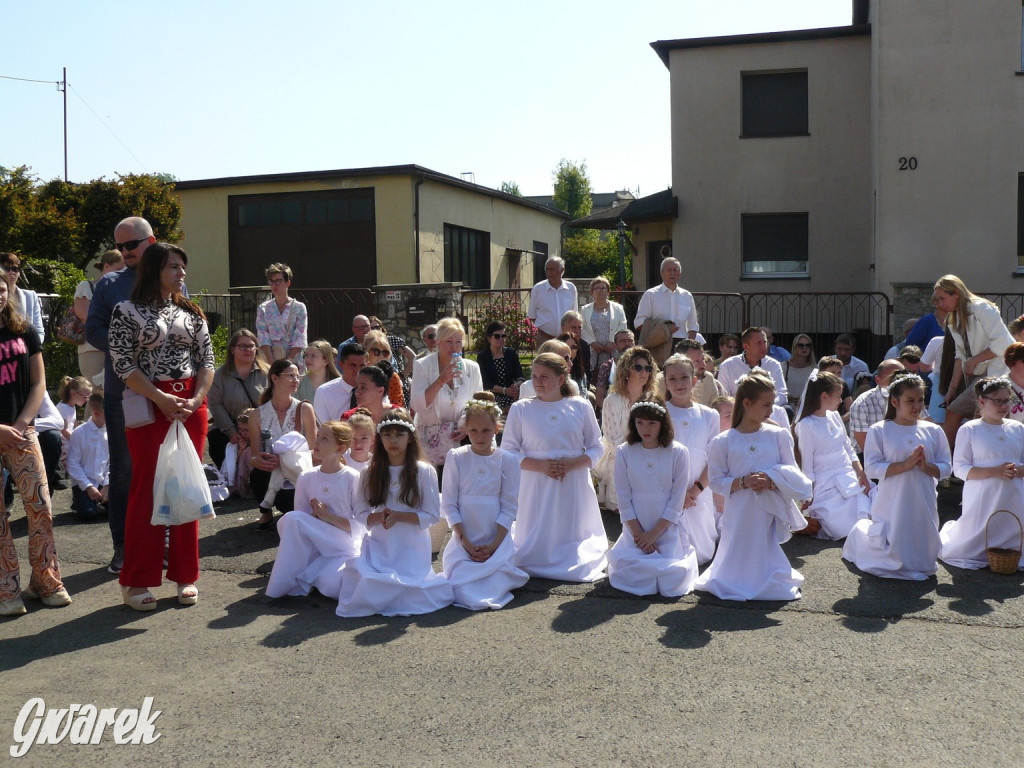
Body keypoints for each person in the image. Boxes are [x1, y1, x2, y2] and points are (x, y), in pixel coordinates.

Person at [108, 242, 214, 611]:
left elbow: (207, 361)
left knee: (187, 488)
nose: (181, 273)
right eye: (174, 266)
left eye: (183, 266)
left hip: (188, 408)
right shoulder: (126, 310)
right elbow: (123, 365)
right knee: (147, 491)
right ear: (154, 269)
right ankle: (137, 579)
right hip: (149, 408)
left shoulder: (192, 311)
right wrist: (161, 398)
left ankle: (186, 574)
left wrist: (197, 399)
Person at [695, 370, 811, 602]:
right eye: (766, 405)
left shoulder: (778, 435)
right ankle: (735, 578)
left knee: (763, 543)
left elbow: (792, 471)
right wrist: (742, 482)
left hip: (767, 506)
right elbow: (716, 482)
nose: (771, 411)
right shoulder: (723, 441)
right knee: (738, 544)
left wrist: (772, 479)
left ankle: (766, 576)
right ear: (747, 403)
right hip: (738, 510)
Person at [85, 215, 156, 575]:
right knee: (125, 470)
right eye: (121, 246)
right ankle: (123, 547)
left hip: (164, 393)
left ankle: (158, 544)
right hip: (123, 392)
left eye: (132, 244)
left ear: (151, 241)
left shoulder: (171, 278)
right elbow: (93, 327)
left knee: (161, 470)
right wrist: (122, 346)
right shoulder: (110, 284)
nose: (126, 252)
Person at [336, 409, 454, 617]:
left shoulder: (424, 471)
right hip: (381, 545)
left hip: (412, 547)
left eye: (399, 434)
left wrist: (400, 516)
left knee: (412, 590)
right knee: (366, 583)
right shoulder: (368, 472)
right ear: (379, 438)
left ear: (410, 438)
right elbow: (361, 512)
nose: (393, 440)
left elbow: (432, 516)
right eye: (387, 435)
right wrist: (377, 517)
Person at [502, 353, 607, 582]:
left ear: (561, 380)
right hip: (535, 481)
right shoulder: (521, 409)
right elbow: (508, 450)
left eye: (545, 377)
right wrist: (540, 466)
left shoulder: (580, 406)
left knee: (569, 526)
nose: (538, 381)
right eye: (535, 376)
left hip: (573, 480)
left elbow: (596, 446)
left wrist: (573, 464)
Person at [0, 278, 71, 616]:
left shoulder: (23, 330)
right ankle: (5, 590)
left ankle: (45, 580)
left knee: (40, 505)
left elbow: (38, 382)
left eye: (1, 289)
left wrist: (18, 425)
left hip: (21, 430)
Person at [843, 373, 952, 580]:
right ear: (894, 402)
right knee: (895, 537)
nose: (917, 406)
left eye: (920, 400)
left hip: (923, 495)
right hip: (893, 497)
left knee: (922, 538)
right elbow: (872, 468)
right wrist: (905, 465)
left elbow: (947, 467)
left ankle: (921, 561)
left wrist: (926, 466)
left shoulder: (933, 430)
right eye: (910, 401)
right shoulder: (880, 430)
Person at [441, 392, 528, 610]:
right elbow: (449, 503)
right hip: (465, 538)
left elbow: (509, 506)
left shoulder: (507, 459)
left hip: (495, 537)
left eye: (486, 430)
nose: (480, 437)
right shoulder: (457, 457)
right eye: (473, 431)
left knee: (493, 585)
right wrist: (467, 544)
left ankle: (496, 566)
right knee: (461, 589)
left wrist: (493, 546)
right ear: (466, 430)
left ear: (497, 429)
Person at [607, 395, 699, 597]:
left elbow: (677, 499)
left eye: (652, 423)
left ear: (663, 424)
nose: (645, 429)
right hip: (636, 525)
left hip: (666, 525)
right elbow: (623, 496)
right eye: (639, 423)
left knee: (672, 576)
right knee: (632, 571)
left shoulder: (679, 452)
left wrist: (654, 534)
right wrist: (640, 536)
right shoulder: (625, 452)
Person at [266, 421, 367, 599]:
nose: (317, 442)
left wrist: (328, 518)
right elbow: (299, 524)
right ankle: (288, 581)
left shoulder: (352, 477)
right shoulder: (306, 477)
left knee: (340, 586)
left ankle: (299, 578)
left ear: (340, 449)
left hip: (342, 545)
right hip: (316, 545)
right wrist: (314, 516)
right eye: (318, 436)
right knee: (291, 520)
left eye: (325, 439)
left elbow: (362, 525)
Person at [939, 377, 1024, 570]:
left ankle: (1011, 550)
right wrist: (995, 471)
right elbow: (960, 468)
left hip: (1014, 493)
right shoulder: (970, 429)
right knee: (983, 525)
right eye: (997, 401)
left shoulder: (1018, 428)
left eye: (1006, 400)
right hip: (983, 493)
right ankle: (980, 549)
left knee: (1013, 522)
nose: (1003, 406)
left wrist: (1017, 470)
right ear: (982, 401)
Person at [934, 274, 1015, 453]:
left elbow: (1002, 344)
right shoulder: (953, 319)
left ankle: (945, 464)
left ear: (955, 293)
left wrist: (974, 360)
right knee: (965, 416)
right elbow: (960, 356)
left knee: (957, 413)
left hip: (996, 373)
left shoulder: (982, 308)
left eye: (942, 298)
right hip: (977, 376)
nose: (940, 304)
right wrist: (952, 389)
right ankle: (950, 465)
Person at [792, 372, 871, 539]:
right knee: (843, 527)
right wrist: (809, 494)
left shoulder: (835, 416)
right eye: (838, 396)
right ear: (824, 396)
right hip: (824, 483)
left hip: (847, 474)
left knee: (869, 511)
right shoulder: (806, 425)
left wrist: (861, 472)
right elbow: (807, 463)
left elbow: (848, 447)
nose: (841, 400)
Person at [662, 355, 719, 565]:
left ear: (694, 380)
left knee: (702, 553)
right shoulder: (660, 414)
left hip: (699, 490)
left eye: (684, 378)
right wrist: (677, 495)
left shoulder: (709, 415)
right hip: (667, 490)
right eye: (672, 379)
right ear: (665, 382)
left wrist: (695, 490)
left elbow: (714, 458)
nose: (679, 384)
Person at [249, 359, 318, 531]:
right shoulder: (257, 414)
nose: (296, 380)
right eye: (290, 376)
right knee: (257, 474)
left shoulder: (304, 409)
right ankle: (265, 512)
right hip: (270, 471)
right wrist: (259, 461)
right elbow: (255, 455)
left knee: (290, 509)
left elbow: (315, 451)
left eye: (297, 376)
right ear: (275, 378)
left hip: (297, 471)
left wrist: (285, 461)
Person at [410, 317, 482, 480]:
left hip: (463, 440)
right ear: (438, 342)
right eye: (449, 341)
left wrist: (466, 425)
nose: (454, 346)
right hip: (432, 444)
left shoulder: (472, 368)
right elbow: (417, 405)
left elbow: (477, 403)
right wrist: (441, 380)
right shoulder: (423, 365)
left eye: (458, 341)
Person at [595, 347, 659, 512]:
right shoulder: (612, 400)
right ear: (626, 370)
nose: (643, 372)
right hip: (620, 458)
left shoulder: (653, 400)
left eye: (648, 368)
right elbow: (612, 440)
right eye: (638, 367)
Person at [207, 329, 268, 470]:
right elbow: (215, 405)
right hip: (228, 429)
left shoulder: (267, 373)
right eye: (242, 346)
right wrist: (231, 431)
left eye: (251, 346)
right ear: (233, 350)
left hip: (261, 429)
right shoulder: (219, 375)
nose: (247, 350)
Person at [75, 250, 123, 382]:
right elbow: (85, 316)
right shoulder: (86, 286)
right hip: (92, 350)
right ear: (106, 266)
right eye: (119, 269)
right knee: (97, 394)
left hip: (116, 349)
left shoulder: (120, 291)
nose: (122, 274)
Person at [66, 390, 109, 521]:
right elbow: (73, 464)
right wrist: (88, 487)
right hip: (84, 483)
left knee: (118, 511)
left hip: (103, 481)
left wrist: (107, 485)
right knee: (89, 514)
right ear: (96, 413)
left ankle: (98, 502)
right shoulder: (79, 433)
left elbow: (112, 462)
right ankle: (79, 500)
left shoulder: (110, 433)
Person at [634, 257, 699, 343]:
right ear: (662, 273)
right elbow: (639, 323)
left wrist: (689, 345)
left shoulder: (687, 296)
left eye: (675, 270)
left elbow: (693, 325)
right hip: (658, 342)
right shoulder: (650, 294)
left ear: (680, 273)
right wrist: (663, 328)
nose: (672, 273)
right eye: (669, 270)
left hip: (682, 344)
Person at [717, 327, 788, 405]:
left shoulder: (774, 365)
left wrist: (765, 406)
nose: (763, 346)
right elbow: (723, 397)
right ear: (746, 346)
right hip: (738, 412)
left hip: (769, 411)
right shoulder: (727, 366)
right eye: (759, 343)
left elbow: (782, 394)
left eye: (764, 342)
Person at [255, 263, 307, 367]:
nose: (274, 285)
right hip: (270, 360)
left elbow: (300, 337)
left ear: (288, 283)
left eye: (278, 281)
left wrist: (288, 360)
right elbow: (263, 336)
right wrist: (272, 363)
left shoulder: (299, 307)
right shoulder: (263, 308)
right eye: (271, 281)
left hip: (294, 361)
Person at [849, 359, 906, 453]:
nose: (898, 382)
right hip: (868, 457)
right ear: (877, 380)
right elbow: (866, 448)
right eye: (893, 379)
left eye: (902, 377)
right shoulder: (862, 404)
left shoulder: (911, 399)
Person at [580, 276, 627, 377]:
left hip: (613, 350)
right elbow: (582, 328)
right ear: (592, 292)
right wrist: (592, 343)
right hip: (593, 350)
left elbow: (622, 325)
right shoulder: (585, 309)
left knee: (614, 376)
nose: (600, 291)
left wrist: (612, 342)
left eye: (603, 288)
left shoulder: (618, 308)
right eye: (597, 288)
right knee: (594, 377)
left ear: (608, 291)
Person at [476, 320, 523, 414]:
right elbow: (486, 383)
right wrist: (505, 391)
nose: (501, 338)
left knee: (521, 403)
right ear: (489, 338)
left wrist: (514, 388)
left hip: (512, 392)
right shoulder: (483, 357)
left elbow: (520, 376)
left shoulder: (511, 354)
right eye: (497, 336)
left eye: (503, 336)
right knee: (508, 407)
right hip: (493, 394)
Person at [528, 256, 577, 345]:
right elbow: (532, 316)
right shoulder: (538, 289)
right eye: (547, 269)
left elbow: (574, 314)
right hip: (544, 339)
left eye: (552, 269)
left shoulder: (571, 288)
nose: (549, 273)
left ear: (562, 270)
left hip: (566, 339)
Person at [313, 343, 366, 423]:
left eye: (362, 365)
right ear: (341, 365)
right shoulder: (324, 392)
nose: (357, 370)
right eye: (352, 365)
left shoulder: (375, 390)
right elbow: (323, 429)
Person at [0, 252, 44, 342]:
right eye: (6, 268)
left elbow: (39, 330)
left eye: (15, 269)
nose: (11, 272)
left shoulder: (30, 296)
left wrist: (31, 347)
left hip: (26, 349)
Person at [674, 339, 725, 407]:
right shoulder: (664, 380)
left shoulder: (708, 377)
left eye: (703, 359)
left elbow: (716, 407)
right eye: (697, 361)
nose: (703, 364)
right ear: (680, 362)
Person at [360, 331, 404, 407]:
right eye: (376, 352)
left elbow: (397, 408)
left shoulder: (392, 378)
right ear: (366, 352)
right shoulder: (358, 374)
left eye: (385, 352)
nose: (381, 356)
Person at [594, 329, 634, 409]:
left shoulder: (643, 366)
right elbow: (600, 397)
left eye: (630, 341)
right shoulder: (607, 367)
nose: (627, 344)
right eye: (622, 341)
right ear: (615, 345)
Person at [296, 339, 341, 405]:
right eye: (306, 355)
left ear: (326, 361)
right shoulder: (298, 383)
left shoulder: (339, 384)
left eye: (313, 356)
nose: (308, 359)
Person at [784, 334, 815, 409]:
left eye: (808, 345)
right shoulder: (783, 367)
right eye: (801, 345)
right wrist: (791, 397)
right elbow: (777, 390)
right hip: (788, 409)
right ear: (795, 347)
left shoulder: (815, 368)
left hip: (808, 410)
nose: (804, 348)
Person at [560, 311, 592, 381]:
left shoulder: (584, 345)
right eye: (573, 327)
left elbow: (587, 371)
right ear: (563, 327)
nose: (577, 331)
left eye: (579, 327)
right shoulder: (554, 344)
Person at [556, 331, 589, 396]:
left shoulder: (580, 372)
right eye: (567, 347)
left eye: (574, 347)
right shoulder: (552, 372)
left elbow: (585, 397)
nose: (570, 351)